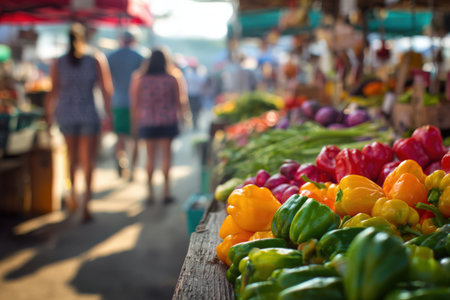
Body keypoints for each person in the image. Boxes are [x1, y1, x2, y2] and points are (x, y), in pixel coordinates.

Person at [45, 23, 113, 221]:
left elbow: (53, 91)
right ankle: (86, 205)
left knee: (72, 160)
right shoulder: (95, 59)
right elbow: (106, 89)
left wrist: (49, 116)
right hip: (89, 114)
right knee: (87, 161)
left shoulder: (58, 62)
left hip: (66, 114)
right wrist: (109, 115)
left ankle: (74, 196)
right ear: (85, 38)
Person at [129, 49, 183, 204]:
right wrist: (182, 119)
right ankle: (166, 191)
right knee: (167, 156)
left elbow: (135, 103)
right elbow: (179, 101)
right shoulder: (172, 78)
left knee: (150, 157)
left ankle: (150, 193)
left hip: (147, 121)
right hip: (168, 120)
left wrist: (134, 124)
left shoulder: (140, 79)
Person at [107, 31, 144, 180]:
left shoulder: (111, 56)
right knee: (135, 139)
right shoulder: (140, 56)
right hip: (137, 103)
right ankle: (133, 170)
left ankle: (121, 158)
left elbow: (106, 81)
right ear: (134, 40)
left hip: (118, 101)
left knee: (120, 136)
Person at [184, 63, 205, 130]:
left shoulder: (189, 75)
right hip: (196, 95)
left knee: (193, 110)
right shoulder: (198, 76)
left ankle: (194, 123)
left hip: (192, 95)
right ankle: (196, 122)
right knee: (197, 110)